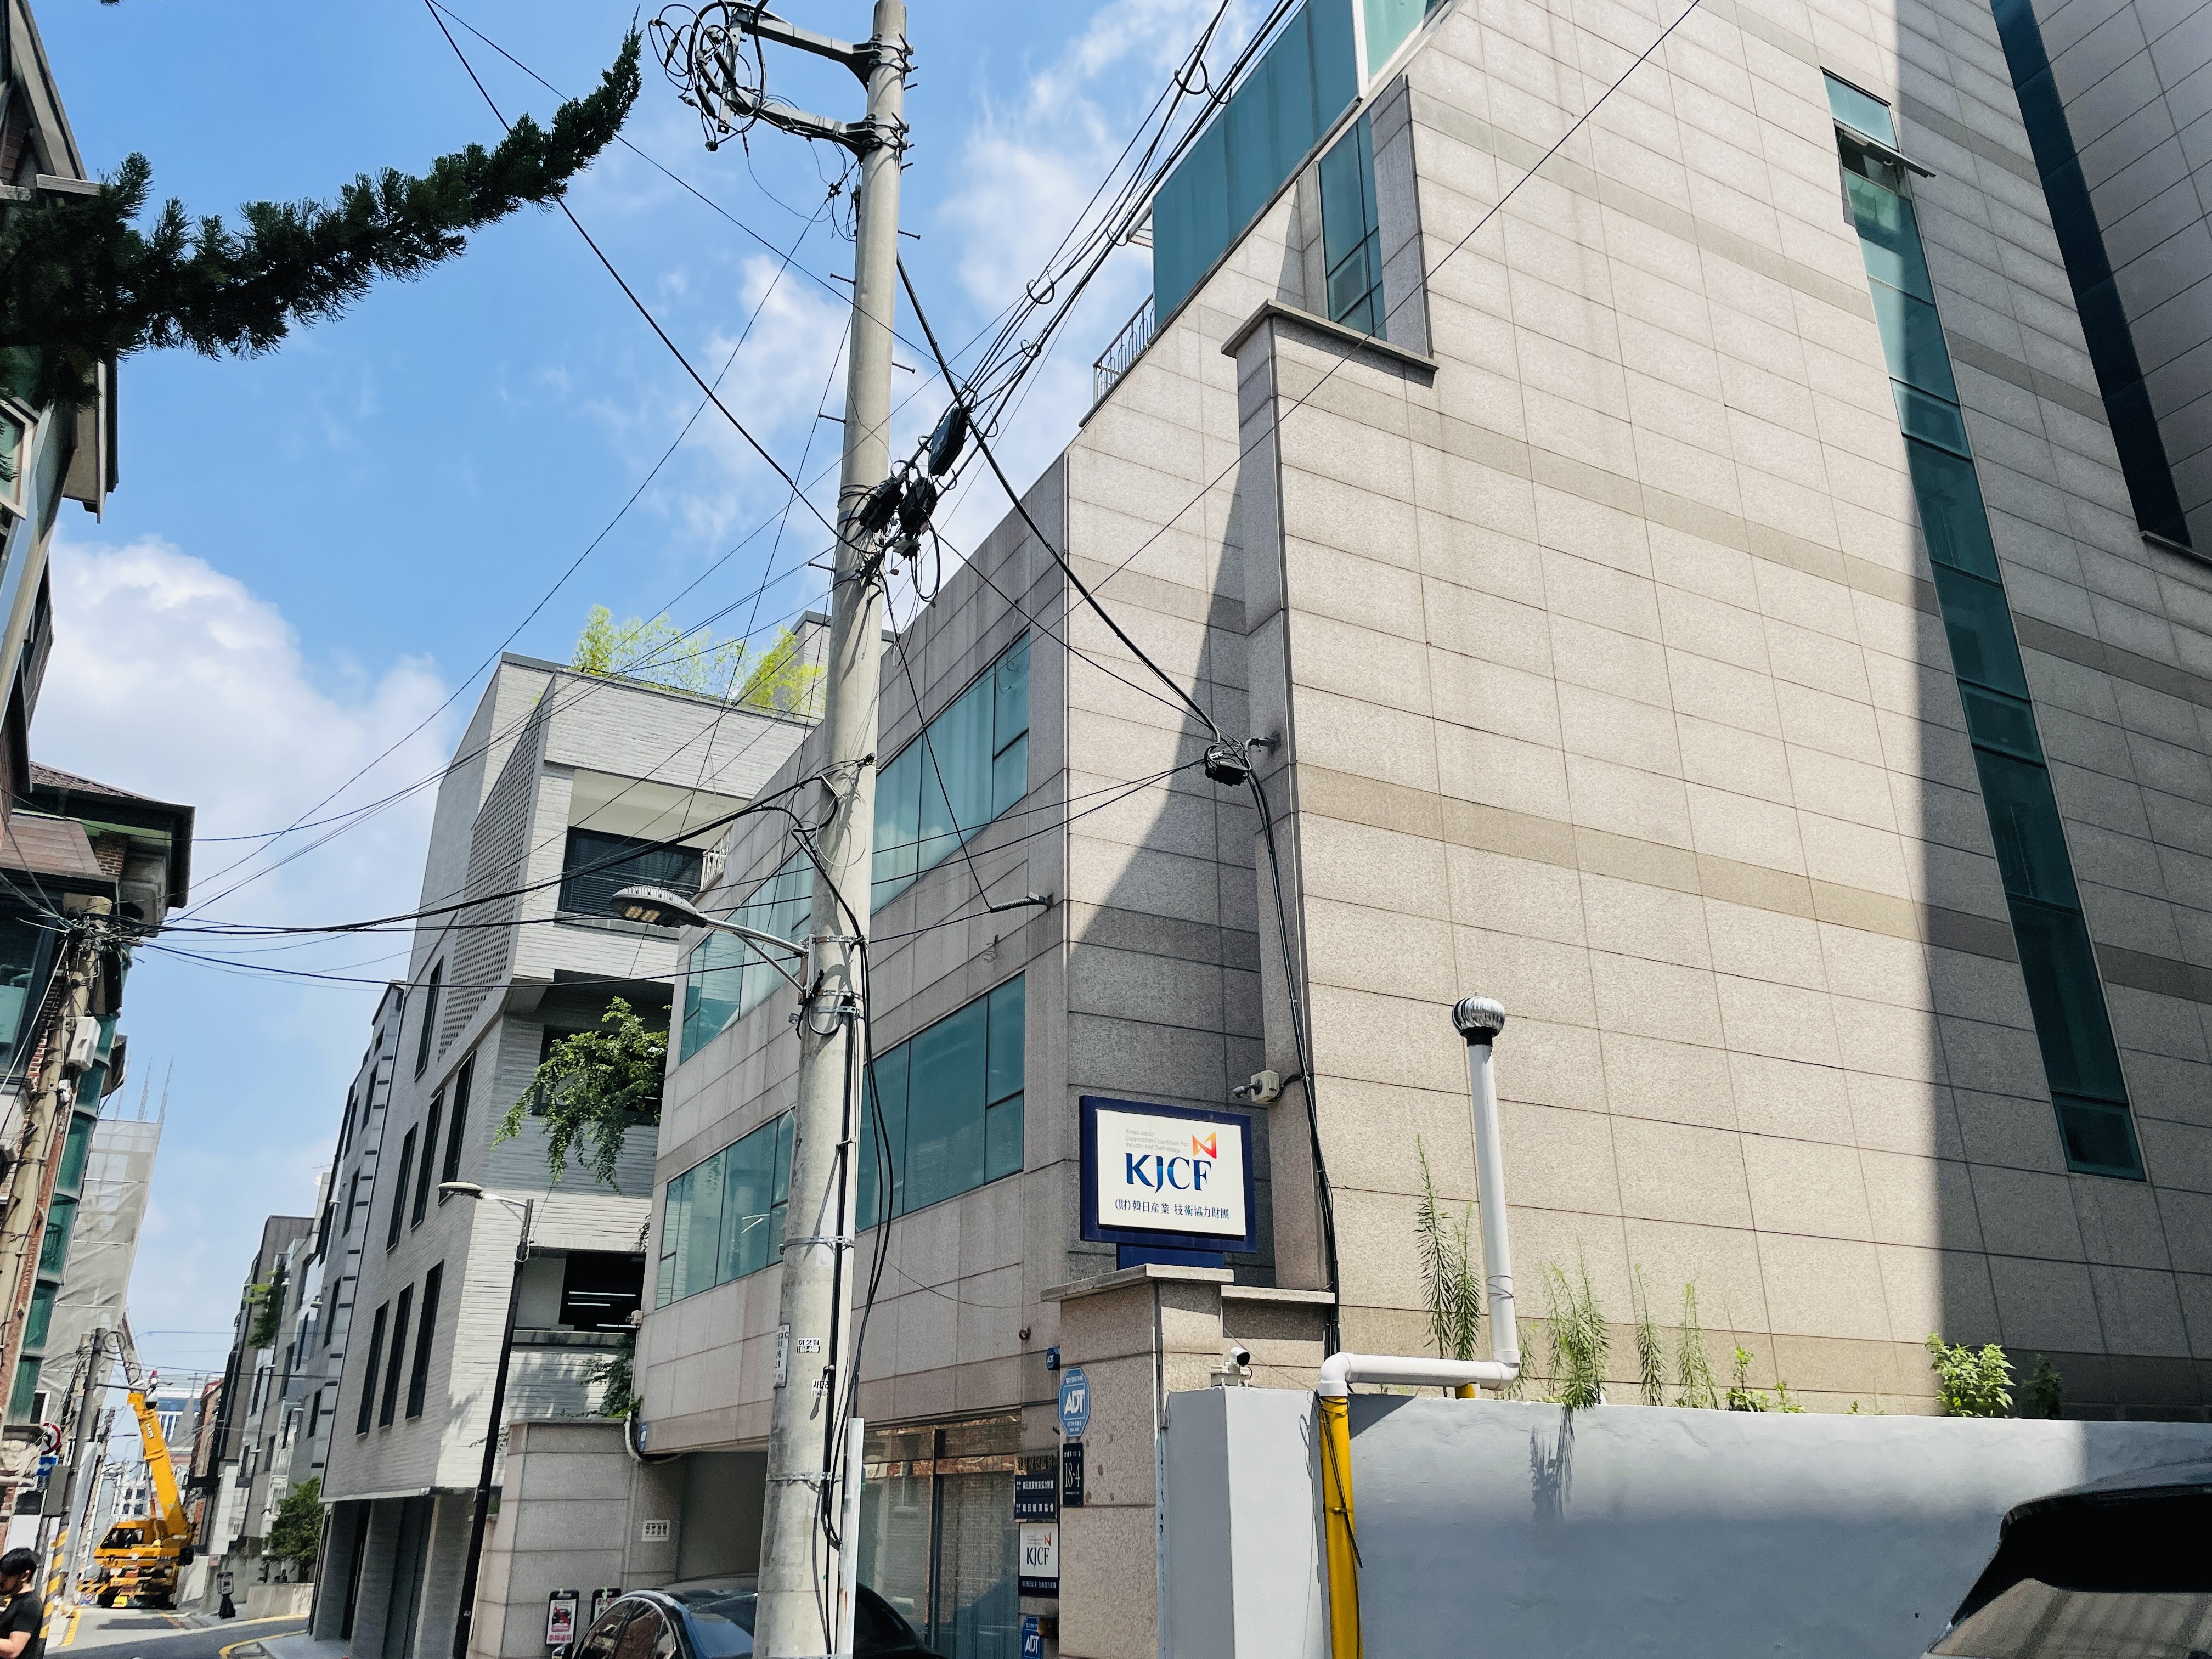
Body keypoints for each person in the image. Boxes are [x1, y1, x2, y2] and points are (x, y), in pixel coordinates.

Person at [0, 1547, 45, 1659]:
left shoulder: (31, 1604)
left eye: (7, 1575)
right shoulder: (17, 1600)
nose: (1, 1579)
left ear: (25, 1576)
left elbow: (13, 1650)